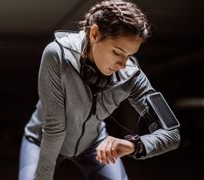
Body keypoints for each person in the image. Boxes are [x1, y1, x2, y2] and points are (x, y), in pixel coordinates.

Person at [19, 0, 180, 179]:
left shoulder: (131, 75)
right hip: (41, 141)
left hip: (94, 145)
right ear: (94, 34)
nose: (122, 65)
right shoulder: (57, 54)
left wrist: (135, 145)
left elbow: (172, 133)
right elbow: (55, 128)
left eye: (129, 56)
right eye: (117, 52)